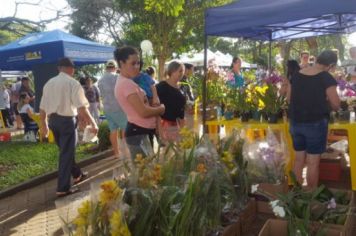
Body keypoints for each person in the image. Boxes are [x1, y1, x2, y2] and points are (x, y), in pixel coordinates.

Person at [40, 57, 98, 197]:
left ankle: (77, 174)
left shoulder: (49, 83)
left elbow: (42, 108)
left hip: (53, 121)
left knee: (66, 151)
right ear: (71, 69)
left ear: (59, 68)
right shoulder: (73, 83)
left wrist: (44, 125)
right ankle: (63, 188)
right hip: (66, 122)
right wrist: (93, 123)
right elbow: (82, 108)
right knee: (66, 153)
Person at [287, 50, 340, 189]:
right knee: (312, 162)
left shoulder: (297, 74)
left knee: (298, 160)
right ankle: (310, 198)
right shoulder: (326, 77)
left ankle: (296, 195)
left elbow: (288, 99)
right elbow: (336, 104)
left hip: (296, 122)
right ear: (330, 65)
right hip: (315, 124)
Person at [114, 46, 165, 159]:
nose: (137, 67)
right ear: (122, 63)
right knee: (145, 172)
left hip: (141, 131)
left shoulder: (127, 82)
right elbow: (143, 112)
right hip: (138, 132)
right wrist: (161, 109)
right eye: (133, 63)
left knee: (148, 170)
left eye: (138, 63)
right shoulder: (126, 84)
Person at [98, 60, 127, 158]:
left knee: (113, 130)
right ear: (115, 68)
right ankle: (125, 151)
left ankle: (116, 153)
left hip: (107, 108)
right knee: (124, 128)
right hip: (118, 107)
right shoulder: (117, 77)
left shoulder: (100, 79)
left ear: (106, 68)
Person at [156, 61, 186, 142]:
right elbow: (156, 108)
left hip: (176, 124)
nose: (182, 73)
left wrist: (182, 127)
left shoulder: (181, 87)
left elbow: (181, 110)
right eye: (180, 71)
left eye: (183, 71)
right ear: (172, 71)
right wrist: (159, 129)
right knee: (168, 151)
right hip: (164, 124)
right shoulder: (161, 86)